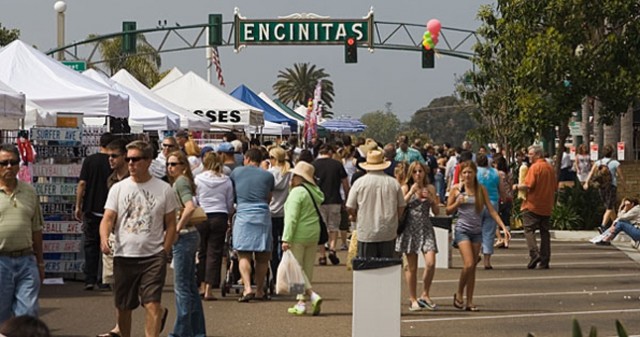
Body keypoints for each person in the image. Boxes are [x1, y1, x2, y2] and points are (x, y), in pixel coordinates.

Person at [99, 140, 177, 337]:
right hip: (124, 255)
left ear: (149, 161)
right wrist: (104, 238)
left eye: (135, 159)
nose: (131, 163)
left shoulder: (164, 189)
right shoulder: (118, 188)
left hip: (152, 256)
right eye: (128, 159)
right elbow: (108, 218)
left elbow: (171, 224)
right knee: (124, 307)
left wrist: (164, 251)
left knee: (152, 304)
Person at [446, 161, 510, 311]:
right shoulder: (456, 189)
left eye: (470, 172)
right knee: (468, 263)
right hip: (462, 230)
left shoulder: (481, 190)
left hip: (477, 231)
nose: (467, 175)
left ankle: (469, 301)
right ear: (461, 174)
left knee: (473, 267)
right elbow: (448, 211)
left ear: (475, 173)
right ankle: (459, 293)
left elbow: (492, 210)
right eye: (464, 173)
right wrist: (456, 203)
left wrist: (503, 227)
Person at [0, 145, 45, 325]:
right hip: (1, 261)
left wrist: (40, 262)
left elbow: (36, 229)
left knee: (28, 312)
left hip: (26, 260)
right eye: (4, 163)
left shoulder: (29, 192)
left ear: (19, 166)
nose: (9, 167)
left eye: (13, 162)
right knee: (2, 315)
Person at [166, 151, 206, 337]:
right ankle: (196, 330)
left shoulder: (181, 182)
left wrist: (176, 229)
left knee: (182, 287)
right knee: (189, 286)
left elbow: (189, 206)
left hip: (184, 236)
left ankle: (180, 332)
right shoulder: (183, 181)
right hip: (189, 235)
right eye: (168, 164)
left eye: (174, 164)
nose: (170, 167)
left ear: (183, 165)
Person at [230, 149, 275, 302]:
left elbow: (233, 193)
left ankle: (247, 287)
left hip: (243, 214)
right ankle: (260, 290)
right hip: (262, 214)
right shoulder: (268, 176)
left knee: (244, 254)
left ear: (247, 158)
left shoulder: (236, 172)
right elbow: (269, 198)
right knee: (262, 257)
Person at [282, 161, 325, 315]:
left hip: (298, 234)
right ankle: (303, 300)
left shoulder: (297, 192)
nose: (292, 178)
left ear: (300, 177)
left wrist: (286, 238)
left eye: (294, 175)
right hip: (313, 233)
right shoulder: (315, 191)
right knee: (306, 268)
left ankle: (307, 298)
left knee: (295, 268)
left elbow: (292, 218)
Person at [395, 162, 440, 312]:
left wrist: (432, 199)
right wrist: (410, 193)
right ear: (410, 174)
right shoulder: (406, 188)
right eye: (415, 172)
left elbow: (437, 211)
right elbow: (399, 211)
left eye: (421, 171)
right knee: (411, 267)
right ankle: (413, 298)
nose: (418, 174)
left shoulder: (431, 188)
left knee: (431, 262)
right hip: (409, 229)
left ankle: (425, 294)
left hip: (426, 228)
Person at [97, 138, 130, 337]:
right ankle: (119, 326)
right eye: (108, 156)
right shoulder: (111, 179)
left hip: (131, 235)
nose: (110, 159)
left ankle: (156, 309)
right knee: (114, 283)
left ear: (125, 157)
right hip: (113, 234)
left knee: (133, 282)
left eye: (114, 156)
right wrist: (104, 235)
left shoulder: (133, 179)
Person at [346, 150, 406, 258]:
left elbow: (350, 206)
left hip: (366, 230)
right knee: (388, 268)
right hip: (388, 230)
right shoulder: (393, 183)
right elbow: (401, 206)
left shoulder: (359, 183)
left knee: (367, 269)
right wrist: (395, 219)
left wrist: (355, 216)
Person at [75, 132, 114, 290]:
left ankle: (90, 278)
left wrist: (78, 205)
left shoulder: (90, 161)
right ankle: (104, 278)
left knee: (91, 244)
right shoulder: (115, 161)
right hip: (110, 209)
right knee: (107, 244)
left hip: (91, 207)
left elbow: (82, 184)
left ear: (100, 143)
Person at [194, 152, 234, 301]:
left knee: (202, 251)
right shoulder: (226, 180)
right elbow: (230, 203)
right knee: (214, 252)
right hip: (220, 215)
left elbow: (195, 199)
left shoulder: (198, 179)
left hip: (202, 215)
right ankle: (209, 289)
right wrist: (229, 215)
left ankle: (202, 284)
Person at [514, 145, 557, 269]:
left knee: (528, 230)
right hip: (547, 205)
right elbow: (554, 187)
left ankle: (534, 253)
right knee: (544, 232)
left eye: (531, 154)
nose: (529, 156)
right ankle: (545, 260)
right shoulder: (549, 168)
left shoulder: (535, 168)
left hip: (532, 204)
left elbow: (528, 186)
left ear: (538, 155)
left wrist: (516, 187)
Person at [312, 145, 349, 265]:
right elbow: (345, 184)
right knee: (333, 227)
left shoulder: (314, 165)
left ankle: (322, 254)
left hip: (319, 200)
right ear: (330, 152)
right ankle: (332, 248)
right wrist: (347, 198)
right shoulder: (337, 164)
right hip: (335, 199)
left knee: (321, 228)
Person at [584, 144, 625, 233]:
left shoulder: (598, 163)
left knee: (609, 206)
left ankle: (616, 224)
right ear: (612, 153)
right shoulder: (615, 163)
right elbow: (621, 176)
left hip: (601, 187)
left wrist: (587, 182)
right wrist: (624, 185)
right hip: (611, 186)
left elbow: (591, 173)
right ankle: (603, 226)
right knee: (609, 207)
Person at [267, 147, 292, 281]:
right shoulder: (289, 173)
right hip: (285, 212)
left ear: (274, 159)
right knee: (283, 244)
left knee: (272, 243)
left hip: (271, 212)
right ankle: (283, 273)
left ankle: (275, 272)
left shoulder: (269, 173)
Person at [476, 154, 504, 270]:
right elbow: (501, 189)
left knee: (476, 231)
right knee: (489, 232)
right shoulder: (496, 173)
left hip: (477, 202)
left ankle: (475, 255)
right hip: (492, 203)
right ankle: (487, 261)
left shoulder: (474, 172)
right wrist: (504, 197)